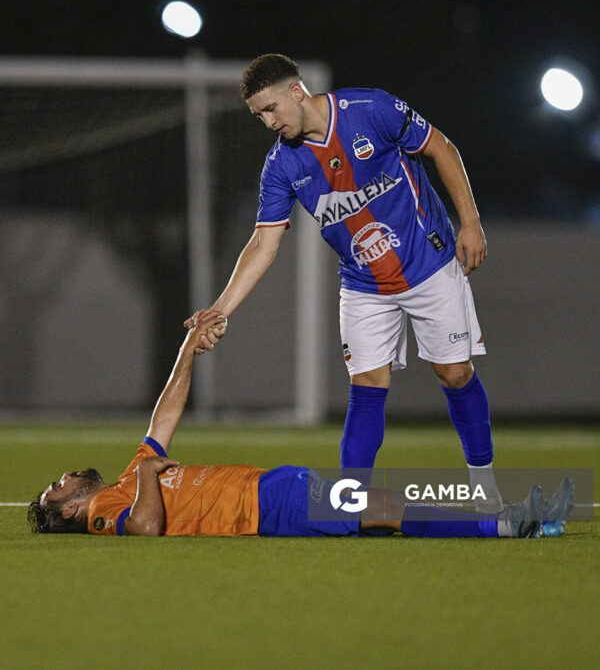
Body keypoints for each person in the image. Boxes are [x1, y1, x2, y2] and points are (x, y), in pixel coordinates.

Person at [185, 54, 501, 506]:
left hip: (428, 264)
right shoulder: (281, 166)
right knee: (367, 386)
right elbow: (263, 245)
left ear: (297, 91)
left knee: (454, 374)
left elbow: (440, 147)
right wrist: (220, 309)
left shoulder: (371, 109)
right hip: (363, 285)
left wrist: (470, 222)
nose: (268, 121)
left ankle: (486, 489)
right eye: (259, 116)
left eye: (271, 108)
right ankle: (351, 502)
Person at [28, 315, 573, 539]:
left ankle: (510, 521)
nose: (66, 476)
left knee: (382, 508)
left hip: (270, 486)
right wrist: (148, 472)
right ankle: (504, 524)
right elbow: (146, 529)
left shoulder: (125, 477)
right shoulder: (104, 510)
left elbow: (166, 413)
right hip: (264, 507)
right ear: (70, 509)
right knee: (384, 509)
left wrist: (188, 349)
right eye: (58, 486)